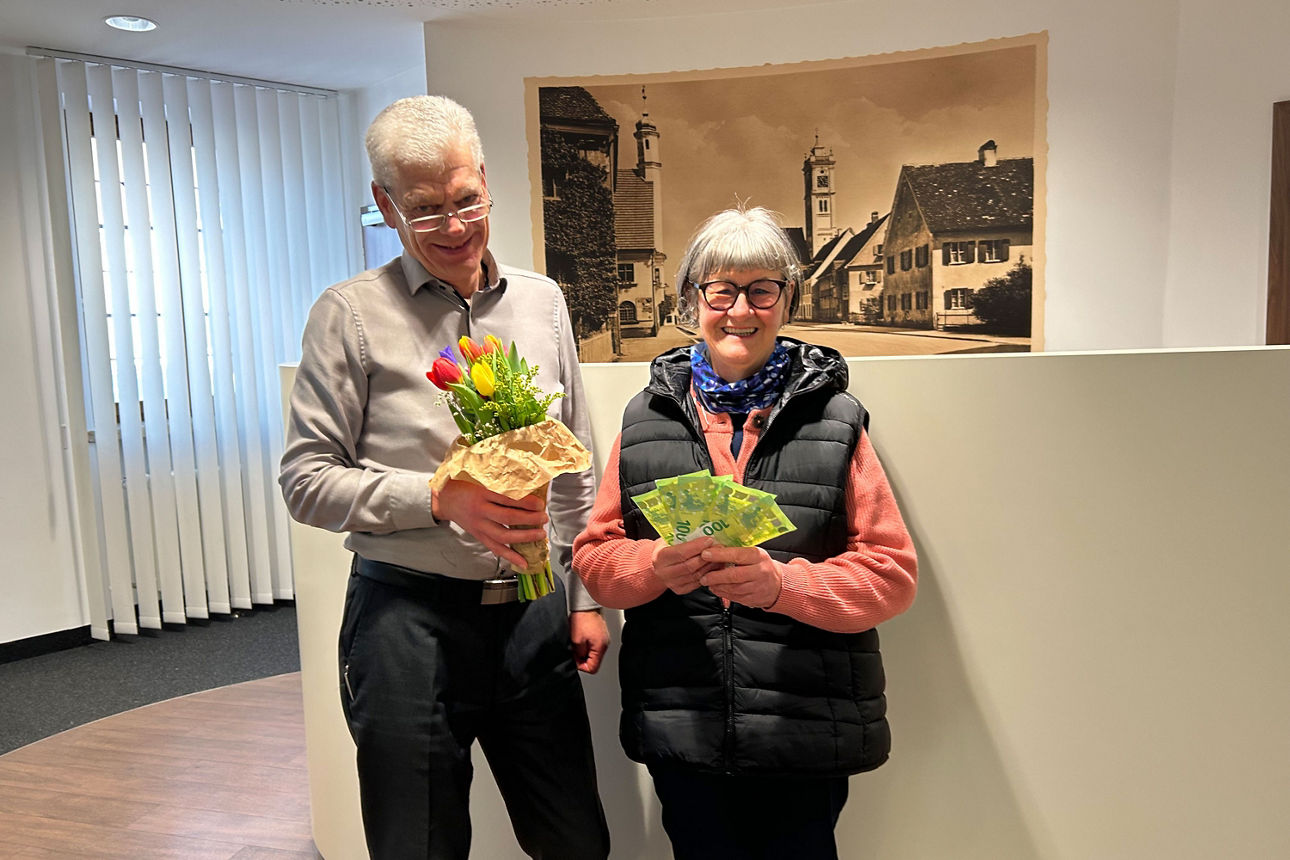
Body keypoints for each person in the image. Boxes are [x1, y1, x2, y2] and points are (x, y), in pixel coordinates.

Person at [279, 95, 610, 860]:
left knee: (576, 842)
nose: (456, 227)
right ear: (385, 203)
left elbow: (575, 464)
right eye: (426, 210)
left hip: (533, 614)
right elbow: (306, 480)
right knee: (418, 846)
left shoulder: (542, 302)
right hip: (406, 621)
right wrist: (436, 497)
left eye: (467, 200)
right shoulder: (348, 316)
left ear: (485, 179)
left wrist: (584, 597)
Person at [573, 205, 918, 860]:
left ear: (786, 300)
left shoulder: (835, 420)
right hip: (683, 721)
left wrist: (781, 585)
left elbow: (891, 575)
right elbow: (596, 559)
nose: (740, 310)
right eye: (721, 290)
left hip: (805, 729)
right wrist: (653, 567)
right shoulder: (645, 419)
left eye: (762, 290)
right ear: (692, 299)